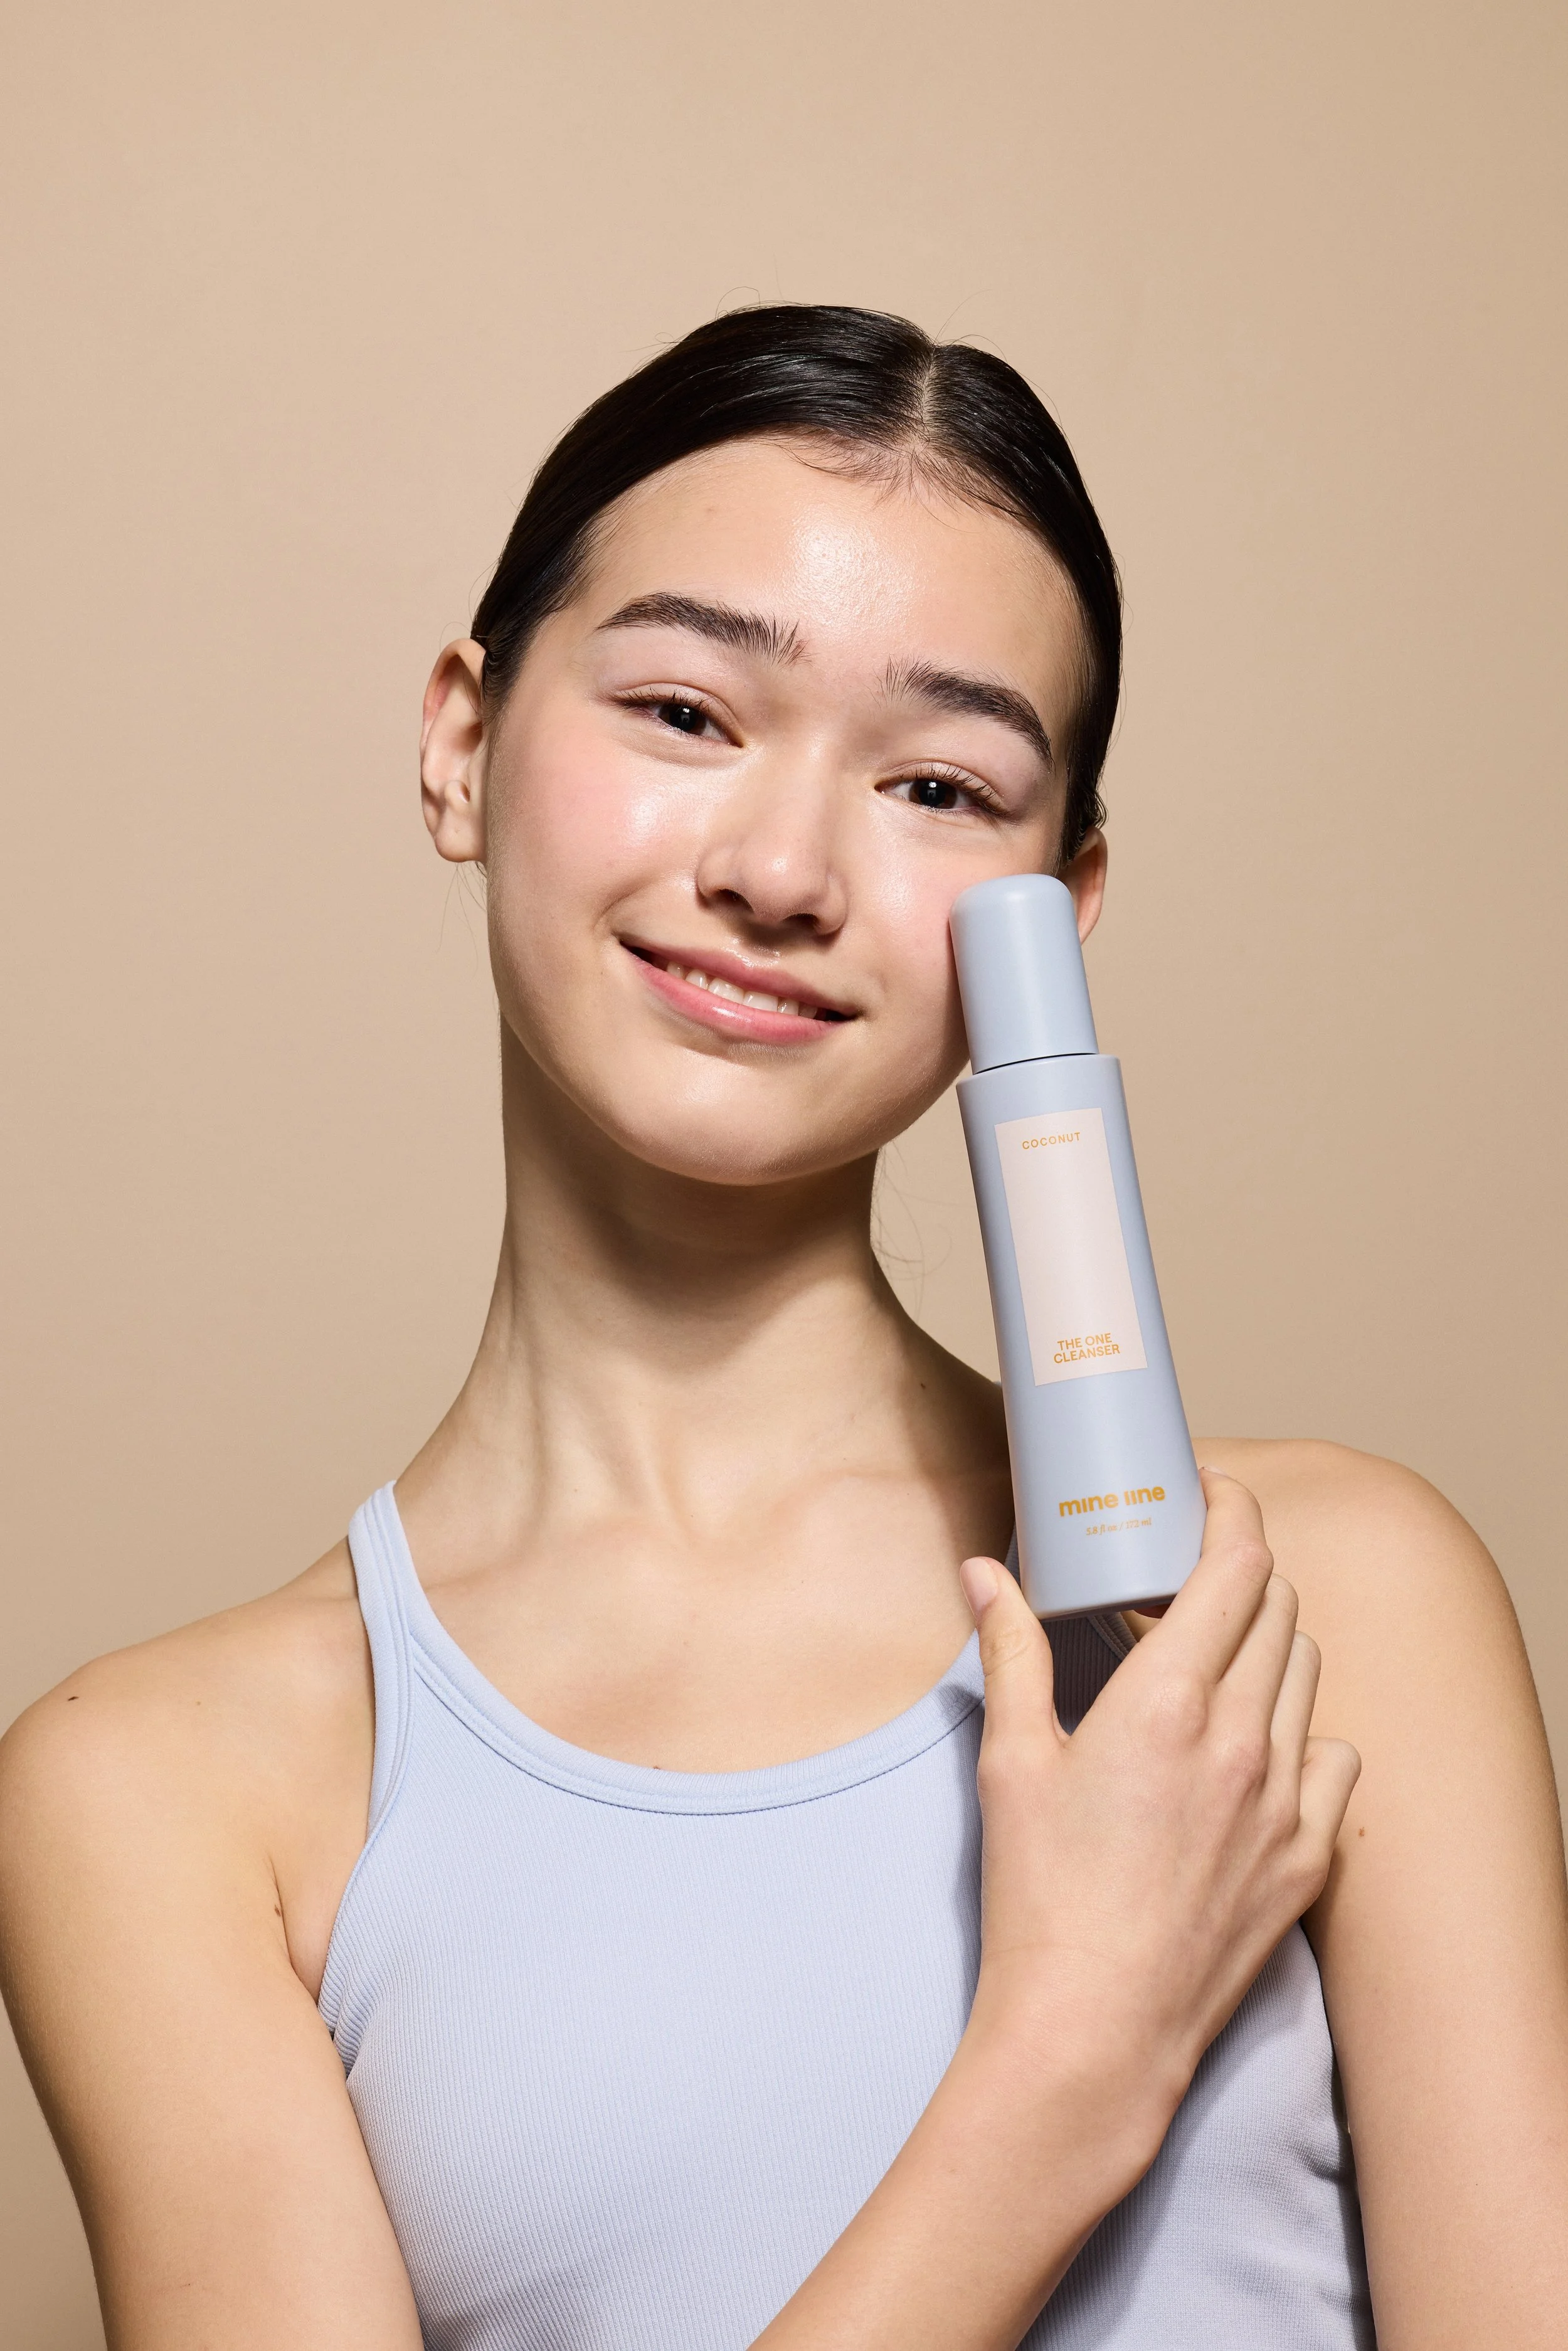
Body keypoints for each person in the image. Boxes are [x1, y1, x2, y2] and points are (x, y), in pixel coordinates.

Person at [1, 305, 1564, 2351]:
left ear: (1055, 911)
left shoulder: (1310, 1606)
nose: (776, 868)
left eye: (935, 779)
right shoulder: (175, 1792)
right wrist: (1067, 2055)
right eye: (682, 710)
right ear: (462, 738)